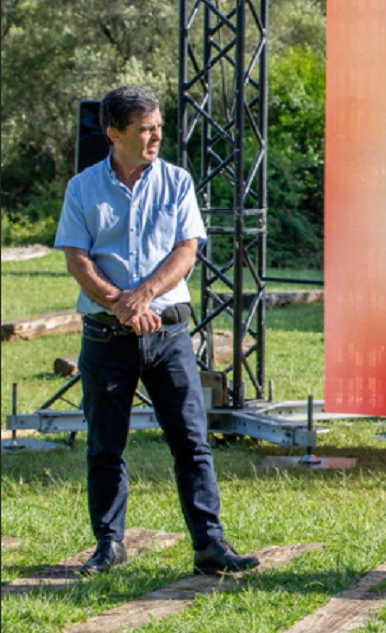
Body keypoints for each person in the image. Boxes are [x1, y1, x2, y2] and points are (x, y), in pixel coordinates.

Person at [54, 85, 259, 577]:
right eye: (145, 129)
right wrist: (119, 305)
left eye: (159, 128)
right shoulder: (82, 188)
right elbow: (77, 259)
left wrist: (141, 296)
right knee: (105, 446)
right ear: (114, 133)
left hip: (168, 337)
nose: (156, 137)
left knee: (192, 442)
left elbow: (187, 250)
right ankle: (109, 544)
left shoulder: (177, 181)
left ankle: (210, 544)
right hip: (106, 337)